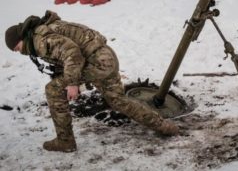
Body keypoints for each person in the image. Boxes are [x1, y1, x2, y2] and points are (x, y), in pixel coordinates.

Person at [5, 10, 179, 153]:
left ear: (21, 39)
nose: (18, 52)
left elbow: (72, 53)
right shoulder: (45, 30)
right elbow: (64, 56)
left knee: (52, 90)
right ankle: (165, 127)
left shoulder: (40, 39)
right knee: (118, 101)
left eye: (17, 48)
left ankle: (65, 141)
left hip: (96, 63)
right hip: (106, 58)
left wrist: (72, 83)